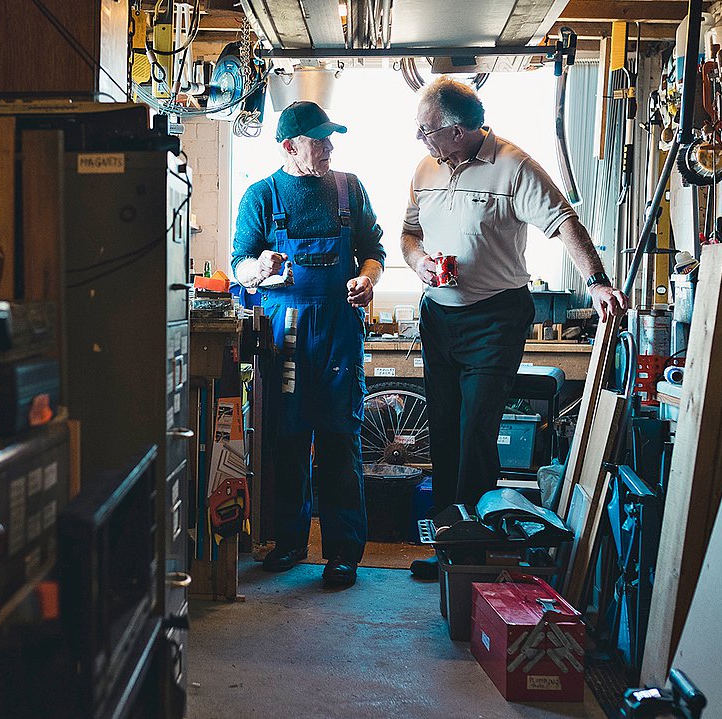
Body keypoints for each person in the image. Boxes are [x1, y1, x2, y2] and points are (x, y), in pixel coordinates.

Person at [401, 78, 628, 580]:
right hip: (438, 316)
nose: (421, 139)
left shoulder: (514, 166)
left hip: (494, 317)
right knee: (442, 434)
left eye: (426, 131)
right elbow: (409, 232)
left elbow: (564, 221)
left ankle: (471, 555)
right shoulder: (425, 168)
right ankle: (448, 547)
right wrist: (418, 264)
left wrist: (596, 281)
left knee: (475, 430)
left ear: (458, 131)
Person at [232, 101, 386, 589]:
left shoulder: (349, 188)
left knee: (341, 441)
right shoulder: (261, 195)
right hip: (286, 334)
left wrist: (367, 280)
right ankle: (290, 542)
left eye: (329, 139)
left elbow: (374, 252)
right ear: (289, 147)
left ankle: (343, 553)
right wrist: (259, 270)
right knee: (287, 439)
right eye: (319, 141)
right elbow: (239, 264)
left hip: (340, 332)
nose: (329, 147)